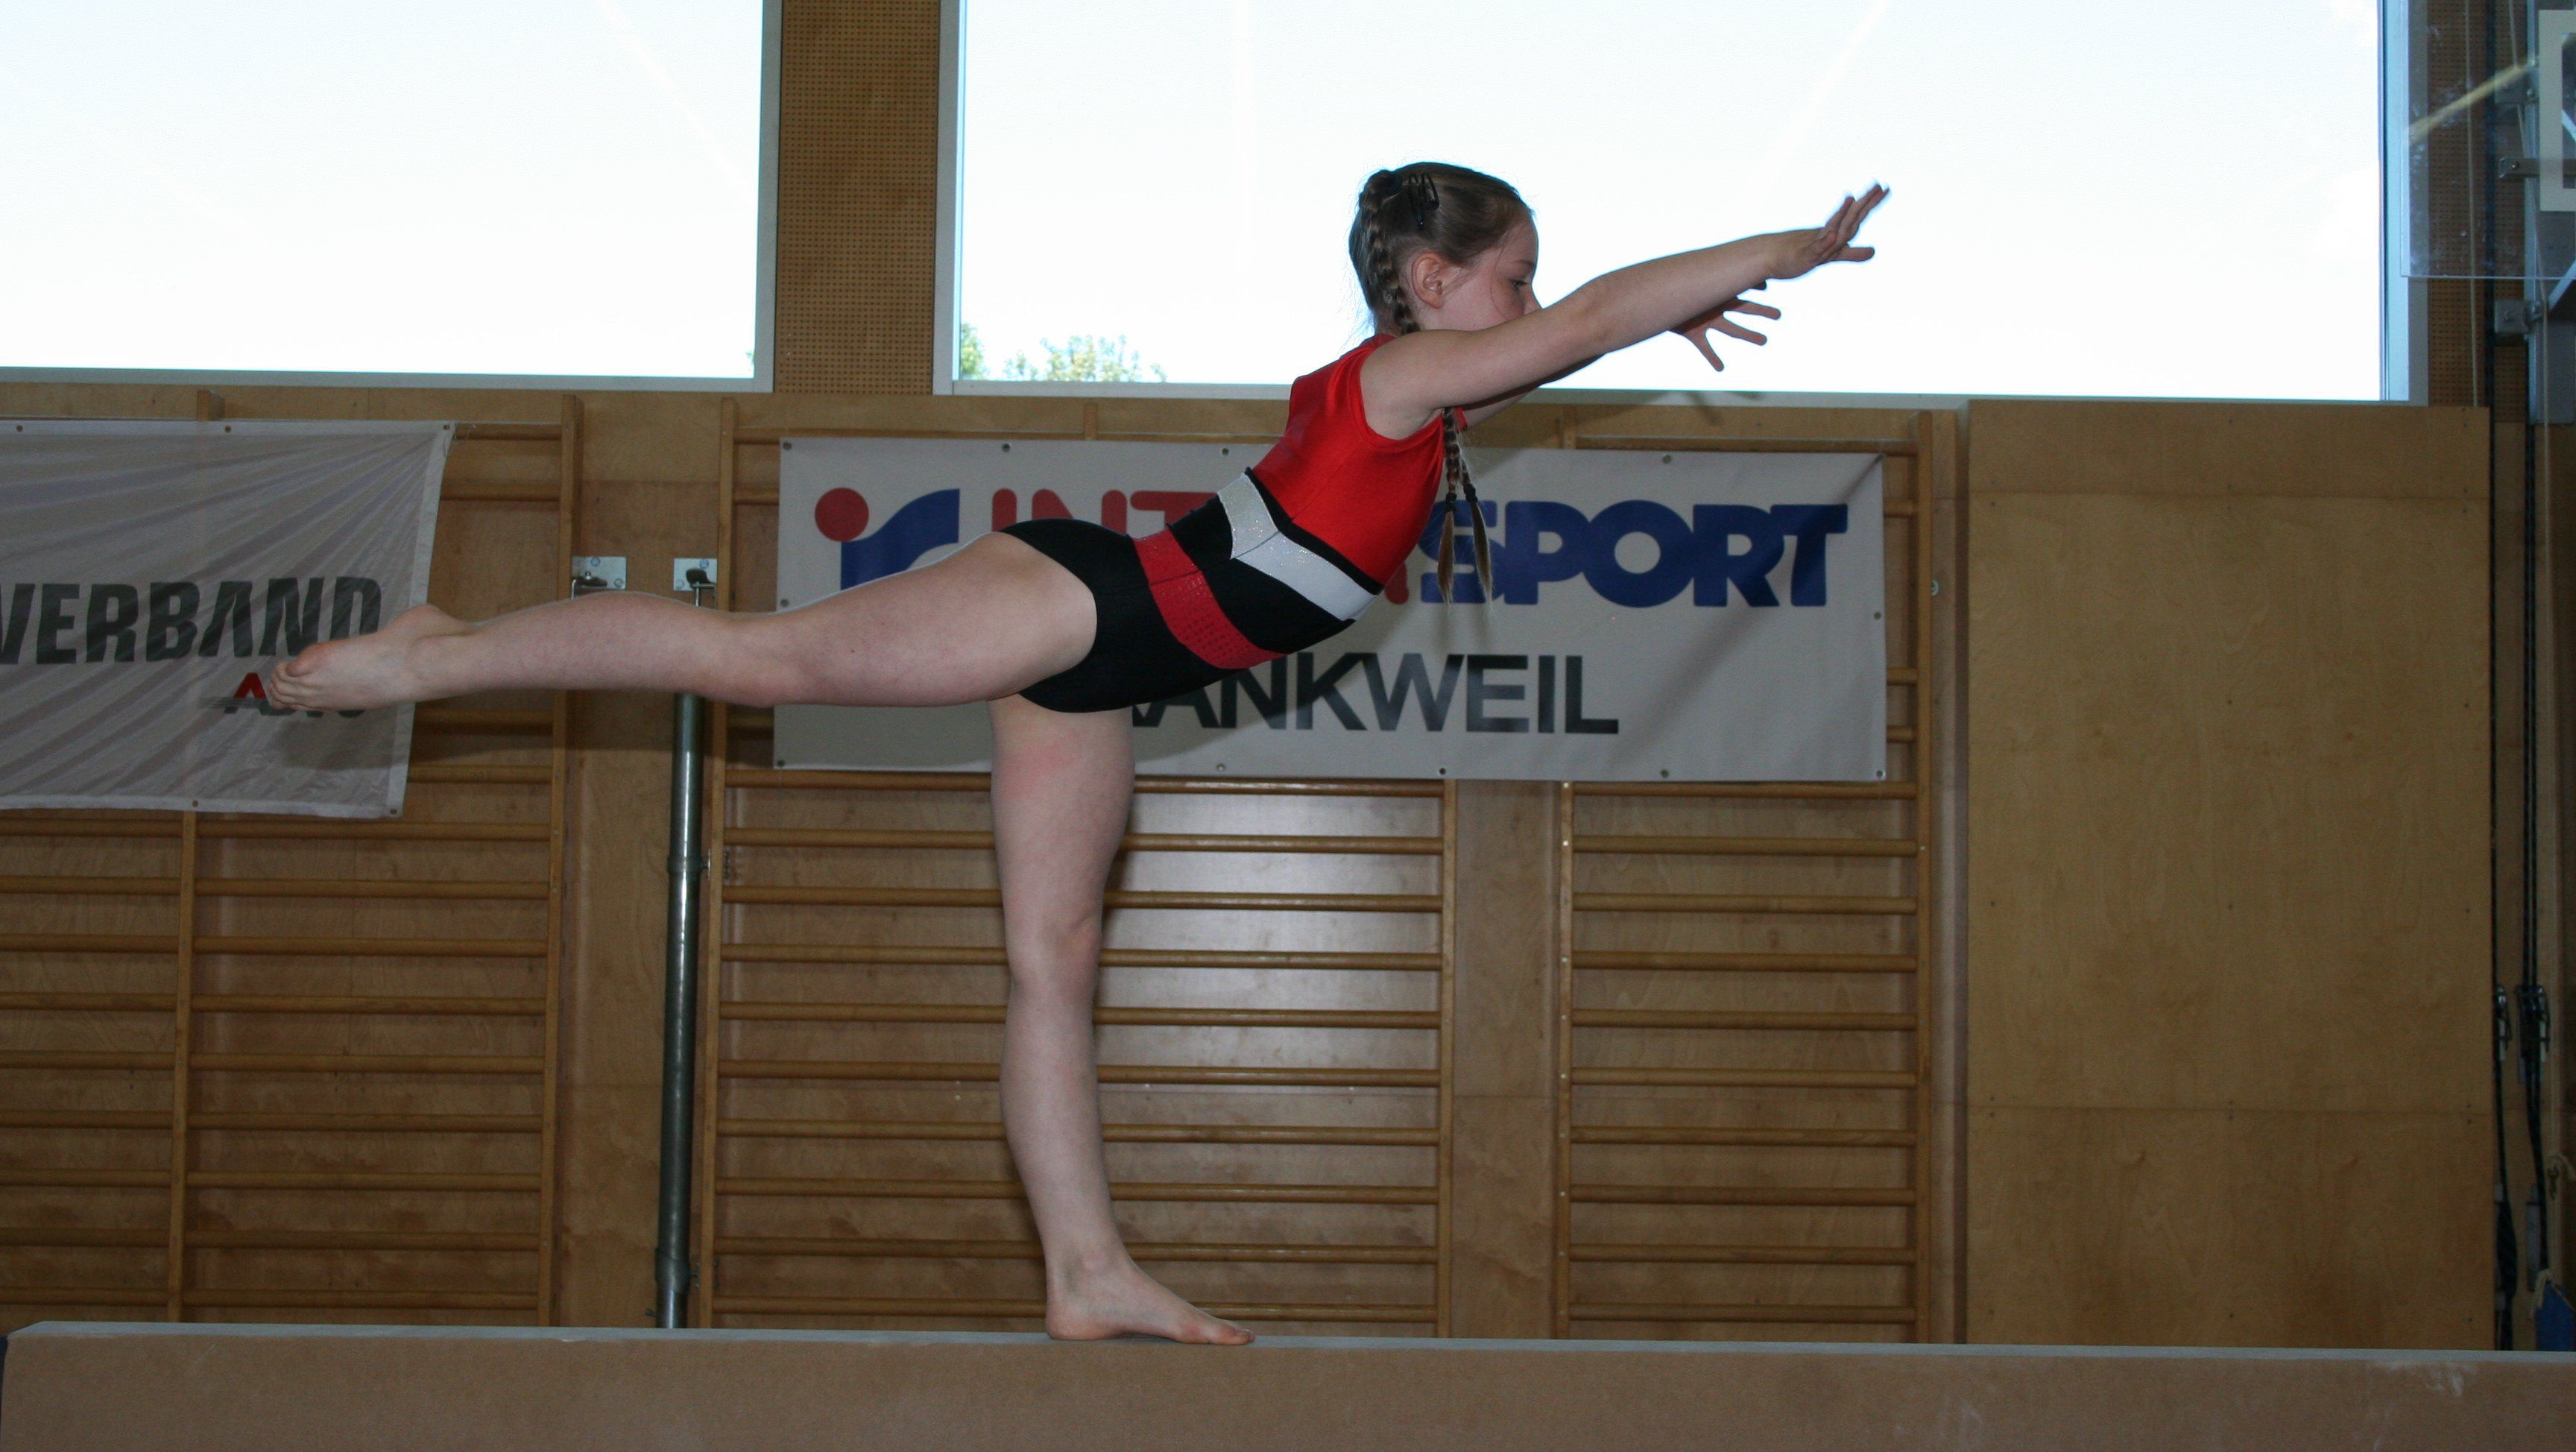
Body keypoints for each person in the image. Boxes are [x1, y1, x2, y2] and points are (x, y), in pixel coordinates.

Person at [271, 163, 1887, 1344]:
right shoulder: (1399, 378)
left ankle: (1085, 1269)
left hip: (1107, 664)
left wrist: (1661, 310)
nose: (1535, 300)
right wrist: (1789, 251)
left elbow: (1580, 332)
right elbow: (1592, 322)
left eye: (1534, 281)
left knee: (1056, 961)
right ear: (1429, 279)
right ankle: (438, 654)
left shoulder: (1426, 395)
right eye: (1513, 275)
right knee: (760, 657)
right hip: (1081, 602)